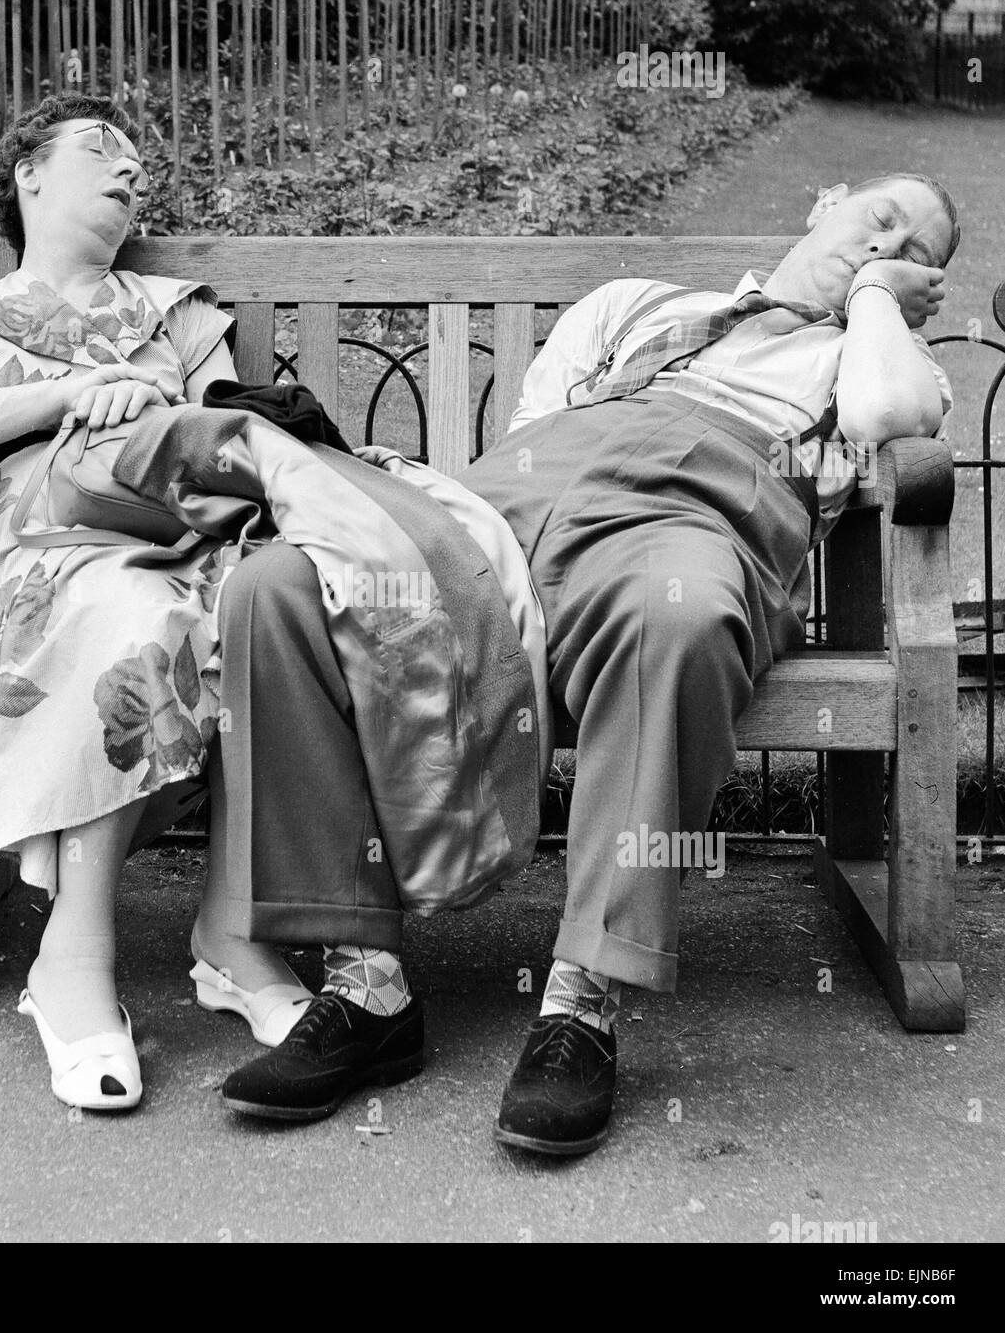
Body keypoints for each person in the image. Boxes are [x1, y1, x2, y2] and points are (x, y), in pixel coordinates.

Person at [215, 172, 958, 1155]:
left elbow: (878, 414)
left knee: (675, 623)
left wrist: (870, 300)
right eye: (879, 217)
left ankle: (580, 1003)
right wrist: (496, 596)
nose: (884, 246)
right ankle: (367, 986)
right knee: (278, 588)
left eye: (912, 251)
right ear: (822, 201)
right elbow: (532, 437)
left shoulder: (873, 358)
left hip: (692, 524)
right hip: (513, 515)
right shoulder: (638, 307)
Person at [0, 95, 311, 1114]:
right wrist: (67, 396)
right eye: (100, 148)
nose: (130, 168)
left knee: (258, 610)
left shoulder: (181, 311)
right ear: (26, 173)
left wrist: (155, 403)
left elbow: (234, 441)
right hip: (34, 558)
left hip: (185, 542)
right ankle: (78, 955)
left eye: (138, 159)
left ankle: (228, 929)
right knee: (133, 615)